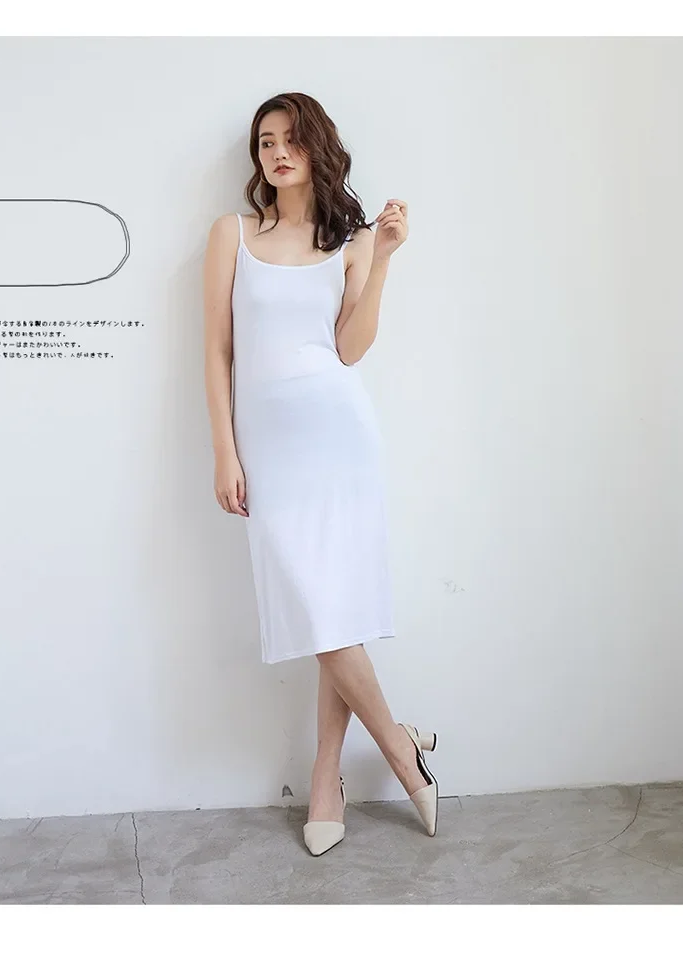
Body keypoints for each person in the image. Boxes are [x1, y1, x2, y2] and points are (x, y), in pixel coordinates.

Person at [203, 92, 438, 856]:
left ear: (317, 148)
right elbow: (217, 350)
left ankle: (327, 777)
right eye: (266, 142)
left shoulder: (353, 242)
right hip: (268, 448)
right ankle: (401, 745)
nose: (277, 153)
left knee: (330, 610)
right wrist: (225, 450)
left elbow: (350, 348)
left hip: (340, 436)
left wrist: (385, 258)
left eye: (291, 140)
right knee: (316, 606)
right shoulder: (233, 235)